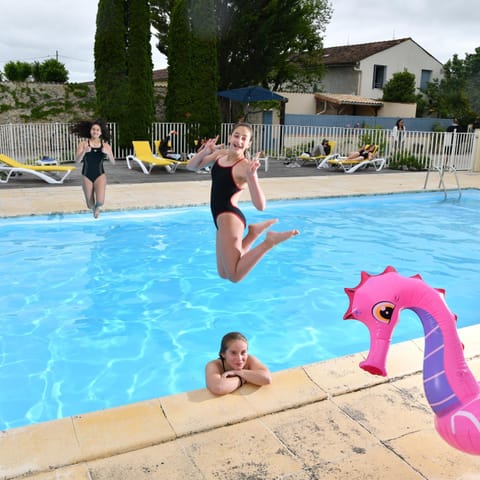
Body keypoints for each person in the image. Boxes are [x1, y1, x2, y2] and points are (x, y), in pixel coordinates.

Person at [187, 122, 299, 283]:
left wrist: (252, 176)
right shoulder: (220, 155)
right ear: (230, 137)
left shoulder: (245, 166)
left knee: (234, 276)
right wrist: (205, 150)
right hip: (219, 219)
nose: (239, 141)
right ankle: (254, 233)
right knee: (223, 273)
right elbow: (191, 167)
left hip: (229, 219)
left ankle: (269, 242)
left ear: (248, 144)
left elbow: (261, 206)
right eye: (236, 135)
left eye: (244, 138)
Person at [72, 119, 115, 219]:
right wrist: (84, 152)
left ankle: (97, 208)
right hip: (86, 175)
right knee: (90, 204)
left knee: (100, 202)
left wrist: (108, 154)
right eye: (93, 129)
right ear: (90, 131)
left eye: (97, 130)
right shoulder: (83, 144)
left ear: (101, 132)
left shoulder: (106, 146)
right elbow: (77, 161)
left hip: (100, 175)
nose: (95, 131)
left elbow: (113, 162)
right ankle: (93, 207)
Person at [205, 332, 272, 395]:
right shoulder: (214, 365)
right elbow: (218, 387)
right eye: (233, 353)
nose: (239, 358)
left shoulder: (250, 360)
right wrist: (243, 379)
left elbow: (267, 379)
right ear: (223, 354)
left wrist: (238, 373)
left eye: (243, 352)